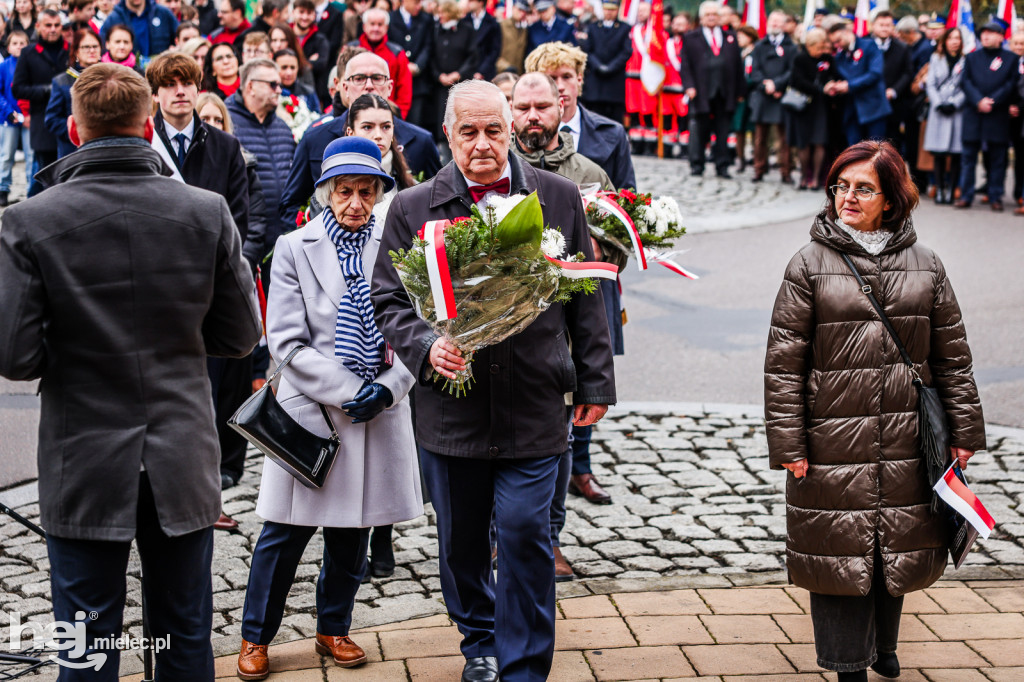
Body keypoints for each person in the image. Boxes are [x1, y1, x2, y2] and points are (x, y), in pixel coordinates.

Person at [0, 61, 260, 678]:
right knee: (184, 634)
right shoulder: (206, 211)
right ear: (149, 127)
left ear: (73, 130)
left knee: (87, 648)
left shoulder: (30, 220)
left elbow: (14, 355)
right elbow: (240, 334)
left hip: (83, 453)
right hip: (181, 449)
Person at [371, 79, 616, 682]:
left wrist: (595, 383)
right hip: (453, 411)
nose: (483, 144)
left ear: (511, 129)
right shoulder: (411, 207)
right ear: (447, 134)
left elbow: (587, 298)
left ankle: (525, 665)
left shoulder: (557, 198)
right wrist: (428, 346)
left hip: (535, 400)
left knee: (527, 531)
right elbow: (389, 300)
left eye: (493, 130)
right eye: (468, 131)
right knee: (460, 544)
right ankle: (479, 639)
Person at [764, 139, 985, 682]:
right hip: (832, 439)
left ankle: (885, 647)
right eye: (841, 186)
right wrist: (789, 446)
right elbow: (783, 365)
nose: (848, 197)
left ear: (891, 198)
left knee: (898, 545)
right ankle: (847, 666)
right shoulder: (808, 264)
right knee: (840, 552)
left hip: (911, 436)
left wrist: (964, 432)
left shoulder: (927, 264)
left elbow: (951, 356)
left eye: (863, 188)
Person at [235, 135, 423, 680]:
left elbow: (418, 330)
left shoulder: (396, 248)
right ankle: (255, 636)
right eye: (345, 192)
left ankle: (332, 627)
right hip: (312, 413)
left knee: (352, 534)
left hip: (377, 410)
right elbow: (288, 342)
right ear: (325, 192)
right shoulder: (294, 248)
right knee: (283, 534)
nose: (356, 204)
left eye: (367, 192)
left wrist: (390, 387)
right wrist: (348, 391)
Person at [148, 52, 254, 494]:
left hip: (211, 278)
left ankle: (226, 463)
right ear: (155, 92)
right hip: (156, 283)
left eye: (187, 82)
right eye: (170, 84)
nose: (180, 91)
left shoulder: (224, 145)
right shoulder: (142, 139)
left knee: (224, 376)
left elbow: (238, 218)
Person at [280, 51, 441, 224]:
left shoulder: (420, 141)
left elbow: (438, 203)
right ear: (344, 87)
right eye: (359, 78)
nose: (369, 85)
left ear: (390, 87)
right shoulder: (316, 139)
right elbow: (291, 206)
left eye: (377, 78)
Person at [525, 40, 636, 190]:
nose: (561, 87)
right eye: (551, 78)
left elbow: (627, 199)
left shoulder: (613, 133)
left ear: (579, 79)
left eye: (566, 76)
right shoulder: (521, 133)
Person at [226, 57, 296, 273]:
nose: (279, 89)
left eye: (280, 84)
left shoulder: (283, 127)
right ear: (250, 86)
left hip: (282, 239)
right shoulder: (226, 122)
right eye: (272, 84)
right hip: (245, 239)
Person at [678, 0, 745, 179]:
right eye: (708, 14)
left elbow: (738, 66)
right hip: (701, 92)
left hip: (725, 92)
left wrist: (740, 91)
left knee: (723, 131)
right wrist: (689, 86)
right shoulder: (691, 37)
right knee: (699, 129)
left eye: (715, 14)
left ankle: (722, 166)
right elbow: (685, 65)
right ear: (701, 17)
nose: (711, 17)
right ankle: (697, 164)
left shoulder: (730, 36)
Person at [511, 71, 611, 188]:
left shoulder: (592, 176)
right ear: (511, 110)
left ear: (560, 107)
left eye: (542, 107)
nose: (533, 116)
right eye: (523, 108)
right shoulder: (495, 173)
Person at [956, 21, 1016, 212]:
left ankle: (995, 195)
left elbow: (1010, 83)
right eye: (983, 33)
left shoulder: (1011, 58)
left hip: (997, 115)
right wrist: (978, 101)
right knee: (968, 158)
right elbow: (965, 81)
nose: (986, 36)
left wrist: (993, 101)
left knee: (998, 158)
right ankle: (966, 195)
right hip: (974, 113)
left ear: (1001, 36)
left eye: (991, 33)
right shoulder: (972, 57)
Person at [11, 8, 66, 197]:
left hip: (67, 122)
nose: (52, 29)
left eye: (57, 25)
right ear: (38, 26)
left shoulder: (70, 49)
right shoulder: (28, 53)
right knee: (45, 174)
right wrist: (45, 91)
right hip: (41, 121)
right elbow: (17, 88)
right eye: (48, 25)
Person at [748, 10, 796, 183]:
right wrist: (766, 85)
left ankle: (786, 171)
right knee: (760, 137)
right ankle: (759, 169)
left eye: (778, 21)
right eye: (772, 21)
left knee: (784, 138)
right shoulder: (760, 46)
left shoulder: (792, 47)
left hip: (781, 96)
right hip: (763, 96)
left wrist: (777, 85)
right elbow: (755, 72)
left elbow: (792, 71)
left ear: (784, 24)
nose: (774, 24)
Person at [826, 18, 890, 146]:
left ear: (848, 33)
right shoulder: (839, 57)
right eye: (834, 43)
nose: (836, 45)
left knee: (875, 150)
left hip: (873, 108)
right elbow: (836, 75)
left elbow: (874, 73)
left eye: (838, 41)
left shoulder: (869, 45)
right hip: (852, 111)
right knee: (854, 152)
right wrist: (833, 85)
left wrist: (849, 85)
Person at [44, 27, 102, 159]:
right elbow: (52, 119)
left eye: (95, 46)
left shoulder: (111, 77)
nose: (92, 50)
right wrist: (79, 131)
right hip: (72, 152)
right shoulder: (61, 81)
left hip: (103, 150)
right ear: (76, 51)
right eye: (86, 47)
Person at [923, 26, 964, 206]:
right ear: (945, 41)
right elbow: (930, 84)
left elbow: (966, 85)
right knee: (938, 154)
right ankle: (940, 189)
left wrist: (955, 103)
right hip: (939, 110)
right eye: (951, 38)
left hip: (957, 111)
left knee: (956, 153)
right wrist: (938, 102)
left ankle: (952, 191)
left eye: (958, 38)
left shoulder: (965, 60)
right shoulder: (935, 58)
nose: (955, 41)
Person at [786, 27, 832, 191]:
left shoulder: (827, 58)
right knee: (803, 143)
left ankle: (815, 178)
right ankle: (804, 176)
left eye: (822, 47)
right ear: (809, 45)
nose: (821, 51)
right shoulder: (800, 58)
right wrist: (819, 89)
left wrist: (831, 84)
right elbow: (796, 81)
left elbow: (834, 75)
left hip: (820, 106)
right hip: (803, 105)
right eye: (818, 47)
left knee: (819, 141)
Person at [349, 7, 411, 118]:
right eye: (372, 24)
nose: (376, 28)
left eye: (380, 24)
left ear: (386, 27)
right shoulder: (350, 50)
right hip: (355, 113)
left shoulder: (397, 53)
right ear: (364, 26)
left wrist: (398, 116)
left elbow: (404, 88)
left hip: (388, 114)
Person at [430, 1, 477, 140]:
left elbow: (473, 56)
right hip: (440, 86)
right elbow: (431, 56)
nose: (440, 16)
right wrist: (439, 75)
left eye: (442, 12)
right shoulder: (436, 30)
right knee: (441, 122)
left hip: (461, 85)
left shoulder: (467, 30)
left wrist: (459, 74)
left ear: (451, 12)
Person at [581, 0, 630, 125]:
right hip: (596, 81)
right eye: (606, 9)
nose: (609, 12)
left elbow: (626, 51)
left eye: (612, 10)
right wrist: (598, 66)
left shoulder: (624, 28)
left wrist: (611, 67)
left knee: (615, 121)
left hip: (615, 81)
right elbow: (587, 50)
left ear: (617, 10)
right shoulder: (592, 27)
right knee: (594, 119)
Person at [388, 0, 433, 130]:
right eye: (416, 2)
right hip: (396, 79)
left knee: (415, 123)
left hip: (418, 81)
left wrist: (418, 65)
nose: (419, 6)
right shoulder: (391, 18)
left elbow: (428, 46)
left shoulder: (425, 20)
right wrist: (402, 65)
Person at [871, 11, 912, 148]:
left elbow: (907, 73)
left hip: (893, 105)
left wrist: (894, 90)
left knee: (891, 143)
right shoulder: (865, 44)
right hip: (869, 103)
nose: (884, 28)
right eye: (881, 25)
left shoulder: (902, 47)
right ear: (873, 25)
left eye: (888, 25)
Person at [0, 29, 30, 207]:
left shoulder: (31, 65)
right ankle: (3, 187)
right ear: (9, 46)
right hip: (8, 117)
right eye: (15, 43)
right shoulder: (4, 67)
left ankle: (32, 188)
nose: (19, 47)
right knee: (6, 154)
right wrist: (9, 112)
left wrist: (28, 114)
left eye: (22, 43)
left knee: (31, 155)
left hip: (28, 118)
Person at [99, 0, 177, 58]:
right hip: (128, 72)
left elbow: (179, 37)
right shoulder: (114, 18)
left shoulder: (163, 13)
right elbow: (102, 47)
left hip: (160, 70)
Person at [292, 0, 332, 104]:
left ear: (314, 15)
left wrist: (297, 62)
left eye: (309, 13)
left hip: (313, 92)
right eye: (301, 12)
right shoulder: (285, 36)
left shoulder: (320, 40)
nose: (305, 17)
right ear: (293, 13)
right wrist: (308, 62)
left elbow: (322, 64)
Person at [463, 0, 501, 81]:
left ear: (480, 2)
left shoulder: (493, 23)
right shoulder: (464, 21)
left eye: (471, 1)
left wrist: (481, 71)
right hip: (466, 72)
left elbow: (494, 50)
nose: (468, 3)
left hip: (485, 72)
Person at [496, 0, 528, 75]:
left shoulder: (524, 30)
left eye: (525, 11)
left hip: (517, 74)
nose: (522, 13)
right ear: (513, 8)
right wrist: (505, 67)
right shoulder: (501, 26)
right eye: (519, 10)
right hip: (502, 72)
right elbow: (494, 52)